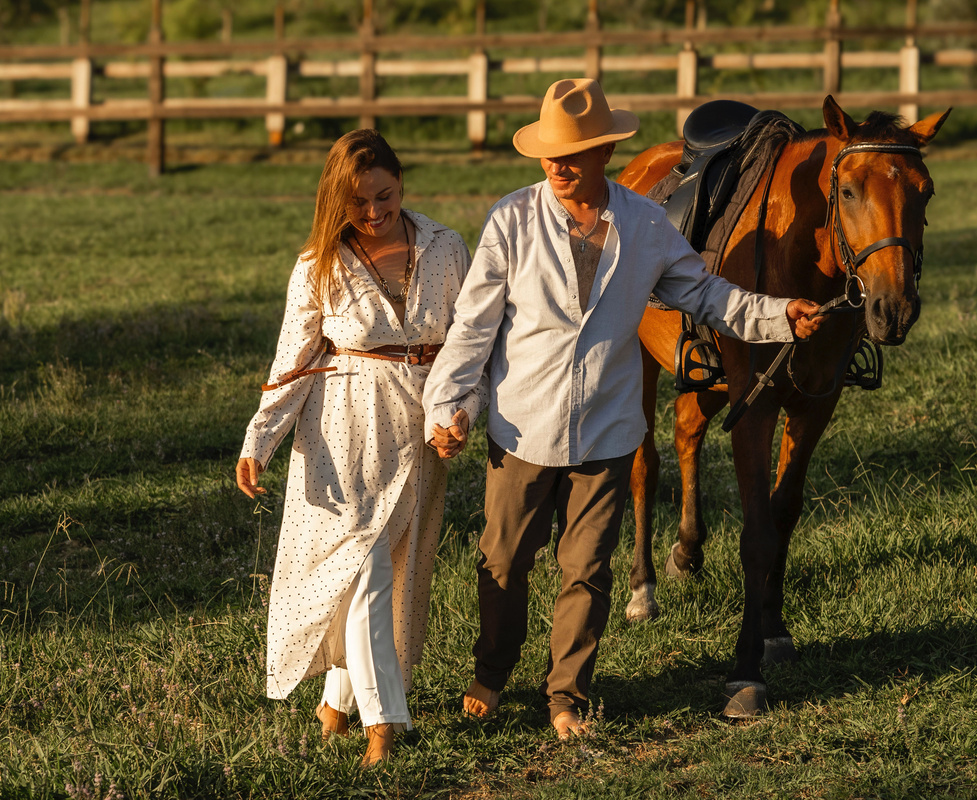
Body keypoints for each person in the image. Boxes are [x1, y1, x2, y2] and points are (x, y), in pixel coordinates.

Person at [423, 78, 823, 740]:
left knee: (587, 572)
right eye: (551, 153)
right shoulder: (512, 220)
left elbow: (711, 297)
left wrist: (782, 314)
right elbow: (473, 327)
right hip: (521, 428)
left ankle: (566, 696)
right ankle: (491, 674)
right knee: (504, 560)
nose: (559, 164)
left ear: (605, 152)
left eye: (574, 152)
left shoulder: (643, 225)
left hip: (606, 434)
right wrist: (451, 404)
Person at [236, 129, 484, 766]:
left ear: (402, 183)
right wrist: (258, 441)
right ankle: (384, 723)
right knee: (366, 568)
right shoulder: (318, 266)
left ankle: (335, 702)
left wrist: (458, 415)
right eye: (358, 201)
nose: (374, 212)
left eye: (385, 195)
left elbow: (468, 347)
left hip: (421, 427)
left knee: (390, 573)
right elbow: (292, 361)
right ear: (333, 200)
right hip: (343, 429)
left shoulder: (445, 246)